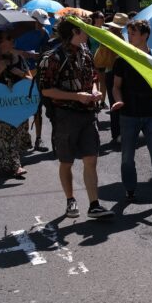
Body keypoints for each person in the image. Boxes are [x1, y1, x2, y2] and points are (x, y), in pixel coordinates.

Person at [37, 18, 114, 219]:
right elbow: (46, 90)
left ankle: (94, 205)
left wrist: (94, 91)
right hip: (65, 116)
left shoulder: (85, 52)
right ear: (74, 31)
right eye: (84, 29)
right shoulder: (52, 57)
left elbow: (93, 78)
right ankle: (70, 200)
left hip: (88, 114)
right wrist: (76, 96)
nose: (88, 32)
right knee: (66, 161)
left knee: (91, 159)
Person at [112, 19, 152, 212]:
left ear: (145, 35)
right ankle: (130, 189)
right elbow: (116, 87)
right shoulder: (122, 59)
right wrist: (118, 101)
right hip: (128, 114)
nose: (129, 37)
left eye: (133, 33)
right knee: (127, 157)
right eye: (129, 33)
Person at [0, 30, 32, 179]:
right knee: (6, 134)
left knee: (18, 133)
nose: (12, 40)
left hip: (18, 102)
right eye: (8, 38)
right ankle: (16, 166)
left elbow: (30, 79)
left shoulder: (18, 58)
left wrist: (20, 73)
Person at [20, 9, 52, 153]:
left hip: (37, 72)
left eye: (43, 23)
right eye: (40, 23)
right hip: (21, 73)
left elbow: (48, 51)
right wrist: (24, 54)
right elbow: (10, 49)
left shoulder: (44, 33)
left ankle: (39, 139)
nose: (42, 26)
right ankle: (24, 138)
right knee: (23, 106)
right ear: (32, 20)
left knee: (37, 108)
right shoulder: (20, 31)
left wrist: (41, 55)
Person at [96, 13, 127, 144]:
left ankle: (118, 132)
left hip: (112, 71)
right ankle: (117, 133)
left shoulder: (110, 34)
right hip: (114, 71)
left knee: (117, 102)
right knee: (116, 102)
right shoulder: (114, 36)